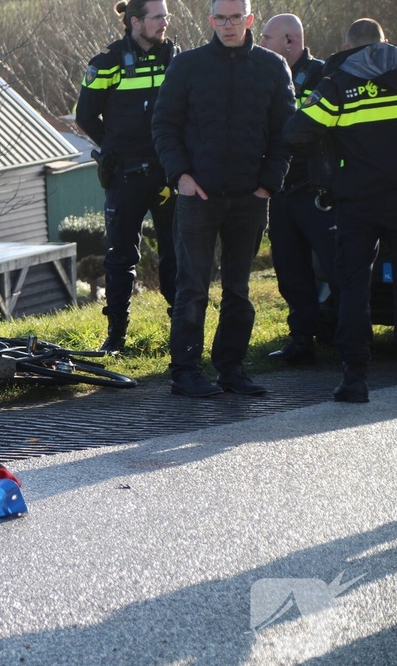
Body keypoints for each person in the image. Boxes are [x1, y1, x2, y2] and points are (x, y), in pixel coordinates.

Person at [152, 0, 295, 397]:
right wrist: (181, 176)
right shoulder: (188, 66)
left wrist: (267, 185)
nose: (228, 25)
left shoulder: (271, 66)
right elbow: (163, 125)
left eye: (235, 18)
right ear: (211, 20)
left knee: (238, 290)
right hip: (198, 194)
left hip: (250, 196)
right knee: (192, 287)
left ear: (249, 20)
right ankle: (185, 372)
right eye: (221, 18)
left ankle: (231, 368)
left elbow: (285, 133)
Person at [283, 19, 397, 403]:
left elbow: (297, 132)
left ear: (348, 47)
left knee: (353, 288)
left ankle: (355, 378)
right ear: (384, 42)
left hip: (357, 203)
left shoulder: (338, 84)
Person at [76, 0, 178, 354]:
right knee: (120, 257)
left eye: (166, 16)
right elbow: (85, 116)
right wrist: (113, 149)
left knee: (175, 254)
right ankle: (116, 335)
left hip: (168, 172)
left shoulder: (175, 58)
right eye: (158, 17)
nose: (165, 23)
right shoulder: (108, 61)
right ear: (136, 22)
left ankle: (182, 329)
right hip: (125, 175)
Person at [259, 14, 338, 366]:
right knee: (290, 271)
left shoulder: (323, 76)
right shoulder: (267, 76)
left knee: (336, 268)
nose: (261, 43)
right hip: (282, 190)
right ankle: (302, 340)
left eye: (267, 38)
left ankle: (346, 339)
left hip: (316, 191)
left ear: (289, 41)